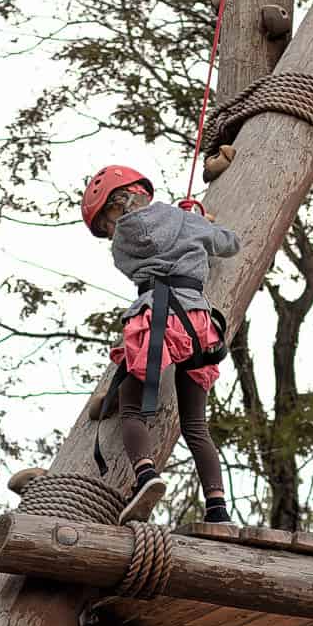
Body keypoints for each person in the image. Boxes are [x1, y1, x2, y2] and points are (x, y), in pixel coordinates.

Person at [81, 165, 239, 524]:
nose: (110, 234)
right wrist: (199, 220)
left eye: (105, 225)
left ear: (115, 208)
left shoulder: (121, 245)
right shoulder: (186, 221)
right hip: (197, 323)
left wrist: (180, 223)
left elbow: (147, 243)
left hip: (153, 320)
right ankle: (217, 507)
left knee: (133, 409)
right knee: (196, 425)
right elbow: (230, 243)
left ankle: (146, 475)